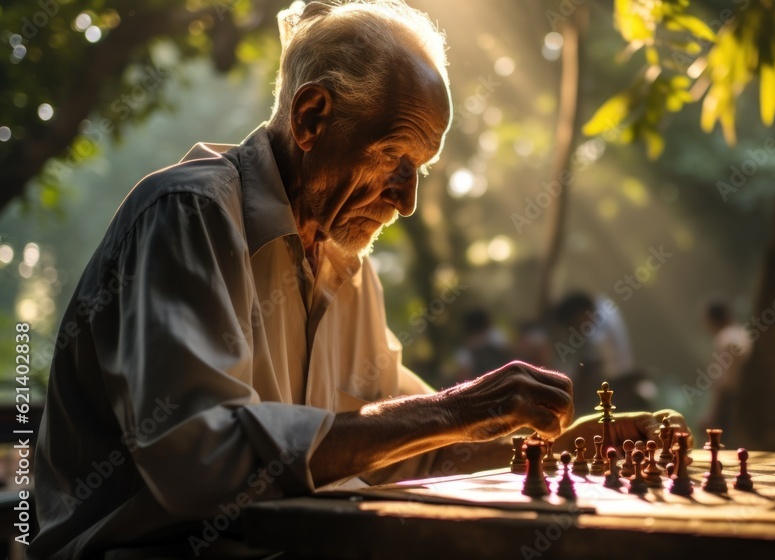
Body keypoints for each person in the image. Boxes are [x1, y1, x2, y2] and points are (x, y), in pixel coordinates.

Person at [29, 2, 686, 558]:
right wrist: (458, 410)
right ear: (312, 117)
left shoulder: (348, 265)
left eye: (421, 167)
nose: (407, 201)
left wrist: (550, 448)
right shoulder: (191, 215)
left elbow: (409, 450)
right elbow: (199, 462)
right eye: (396, 157)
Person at [698, 298, 752, 434]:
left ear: (711, 320)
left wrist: (713, 416)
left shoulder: (725, 339)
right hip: (748, 401)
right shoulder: (743, 335)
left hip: (730, 406)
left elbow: (724, 382)